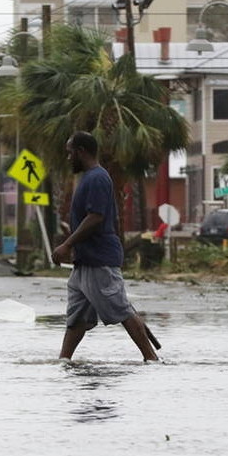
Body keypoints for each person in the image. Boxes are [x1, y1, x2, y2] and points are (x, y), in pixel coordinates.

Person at [51, 131, 159, 361]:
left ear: (81, 152)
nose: (68, 158)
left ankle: (151, 359)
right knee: (77, 316)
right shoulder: (89, 178)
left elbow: (96, 217)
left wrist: (67, 245)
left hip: (99, 259)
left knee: (121, 309)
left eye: (70, 153)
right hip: (85, 261)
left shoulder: (97, 178)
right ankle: (64, 361)